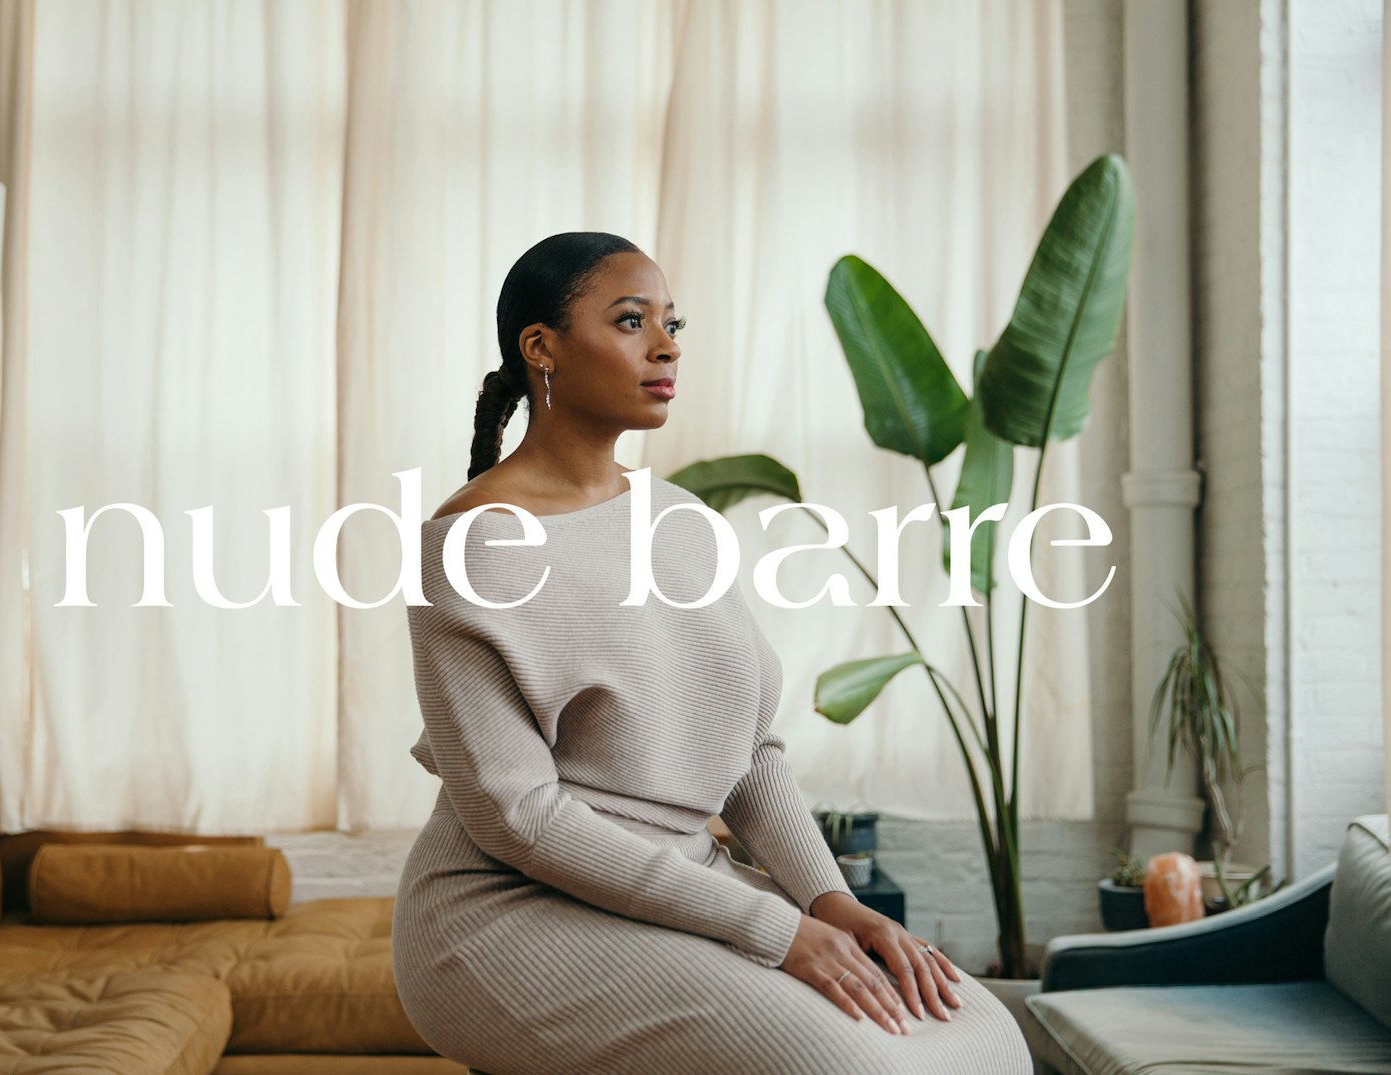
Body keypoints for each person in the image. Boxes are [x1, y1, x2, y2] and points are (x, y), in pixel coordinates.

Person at [391, 232, 1033, 1074]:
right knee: (848, 1065)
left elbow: (747, 752)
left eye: (670, 322)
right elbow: (521, 818)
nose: (666, 347)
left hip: (681, 884)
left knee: (983, 1037)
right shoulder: (471, 546)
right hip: (504, 913)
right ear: (540, 347)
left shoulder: (681, 520)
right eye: (630, 321)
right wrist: (777, 929)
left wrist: (828, 899)